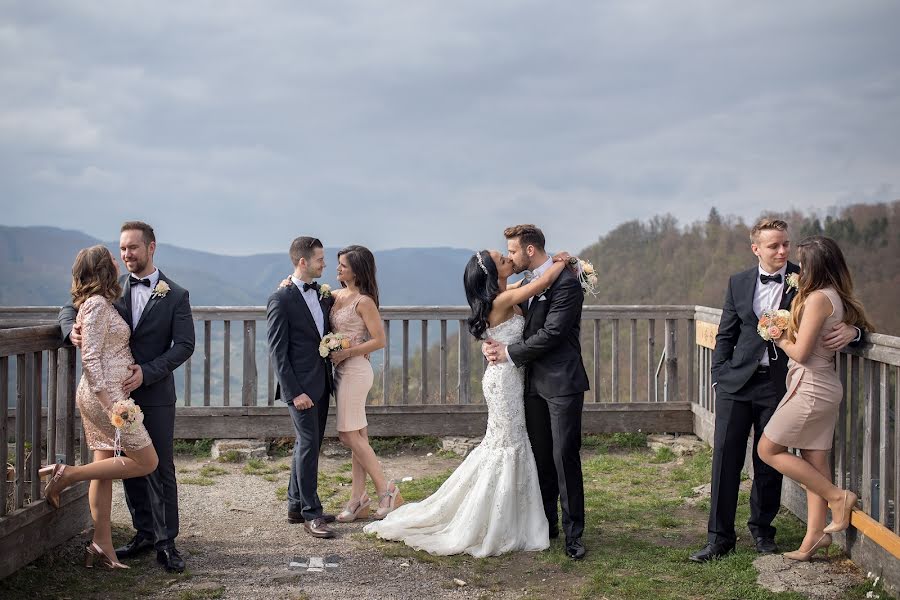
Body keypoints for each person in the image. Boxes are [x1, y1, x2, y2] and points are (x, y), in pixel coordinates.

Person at [365, 247, 570, 557]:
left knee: (508, 443)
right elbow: (539, 285)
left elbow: (528, 283)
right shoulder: (501, 301)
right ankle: (500, 518)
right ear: (493, 273)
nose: (509, 260)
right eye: (503, 260)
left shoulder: (503, 294)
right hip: (504, 382)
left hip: (511, 377)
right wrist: (562, 262)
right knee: (506, 444)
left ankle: (517, 514)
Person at [690, 218, 862, 563]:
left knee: (767, 460)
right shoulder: (738, 282)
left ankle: (762, 532)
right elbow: (726, 332)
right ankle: (719, 539)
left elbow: (844, 310)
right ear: (757, 249)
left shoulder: (808, 278)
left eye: (785, 244)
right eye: (774, 246)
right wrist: (717, 378)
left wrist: (855, 333)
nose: (782, 250)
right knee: (725, 459)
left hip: (781, 384)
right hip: (736, 384)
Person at [58, 221, 195, 572]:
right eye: (122, 248)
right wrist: (69, 331)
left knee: (159, 466)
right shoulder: (109, 292)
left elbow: (184, 345)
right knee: (127, 468)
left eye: (133, 247)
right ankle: (143, 533)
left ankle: (167, 543)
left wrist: (147, 372)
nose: (126, 254)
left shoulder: (176, 294)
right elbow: (70, 308)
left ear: (151, 248)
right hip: (113, 397)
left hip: (155, 393)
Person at [43, 245, 159, 569]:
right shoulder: (95, 305)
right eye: (110, 255)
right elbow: (90, 359)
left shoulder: (102, 302)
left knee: (104, 466)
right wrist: (111, 406)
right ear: (100, 268)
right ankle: (67, 475)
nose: (116, 258)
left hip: (107, 395)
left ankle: (101, 544)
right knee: (147, 460)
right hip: (105, 398)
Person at [758, 236, 874, 560]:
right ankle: (813, 538)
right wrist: (855, 331)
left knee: (767, 448)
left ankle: (838, 497)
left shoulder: (818, 299)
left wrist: (778, 337)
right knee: (814, 460)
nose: (799, 267)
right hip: (822, 386)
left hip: (811, 387)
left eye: (803, 262)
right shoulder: (833, 296)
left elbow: (802, 352)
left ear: (815, 266)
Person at [483, 224, 590, 560]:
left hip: (561, 383)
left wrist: (510, 353)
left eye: (513, 251)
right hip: (530, 385)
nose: (510, 257)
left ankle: (574, 534)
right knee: (541, 457)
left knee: (564, 457)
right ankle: (546, 525)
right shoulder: (529, 282)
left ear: (530, 250)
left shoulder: (568, 283)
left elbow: (554, 333)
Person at [267, 236, 338, 538]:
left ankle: (296, 506)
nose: (325, 263)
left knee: (307, 444)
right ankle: (312, 513)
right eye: (321, 259)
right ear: (303, 262)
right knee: (309, 445)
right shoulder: (281, 299)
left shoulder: (323, 295)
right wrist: (295, 392)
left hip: (321, 382)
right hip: (300, 390)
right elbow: (277, 352)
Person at [328, 245, 402, 522]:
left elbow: (379, 341)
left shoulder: (364, 301)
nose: (338, 269)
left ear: (357, 269)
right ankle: (357, 499)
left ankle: (387, 492)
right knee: (358, 436)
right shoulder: (334, 296)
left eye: (343, 265)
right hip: (341, 371)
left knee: (348, 436)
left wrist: (346, 352)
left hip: (356, 370)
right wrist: (287, 282)